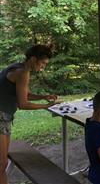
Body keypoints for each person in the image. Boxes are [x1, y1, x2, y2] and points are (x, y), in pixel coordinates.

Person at [0, 44, 60, 184]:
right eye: (43, 63)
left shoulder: (17, 67)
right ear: (33, 59)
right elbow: (23, 104)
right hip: (1, 117)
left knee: (2, 163)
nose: (43, 67)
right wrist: (46, 106)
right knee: (1, 164)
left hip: (5, 118)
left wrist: (43, 96)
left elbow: (23, 95)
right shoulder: (23, 73)